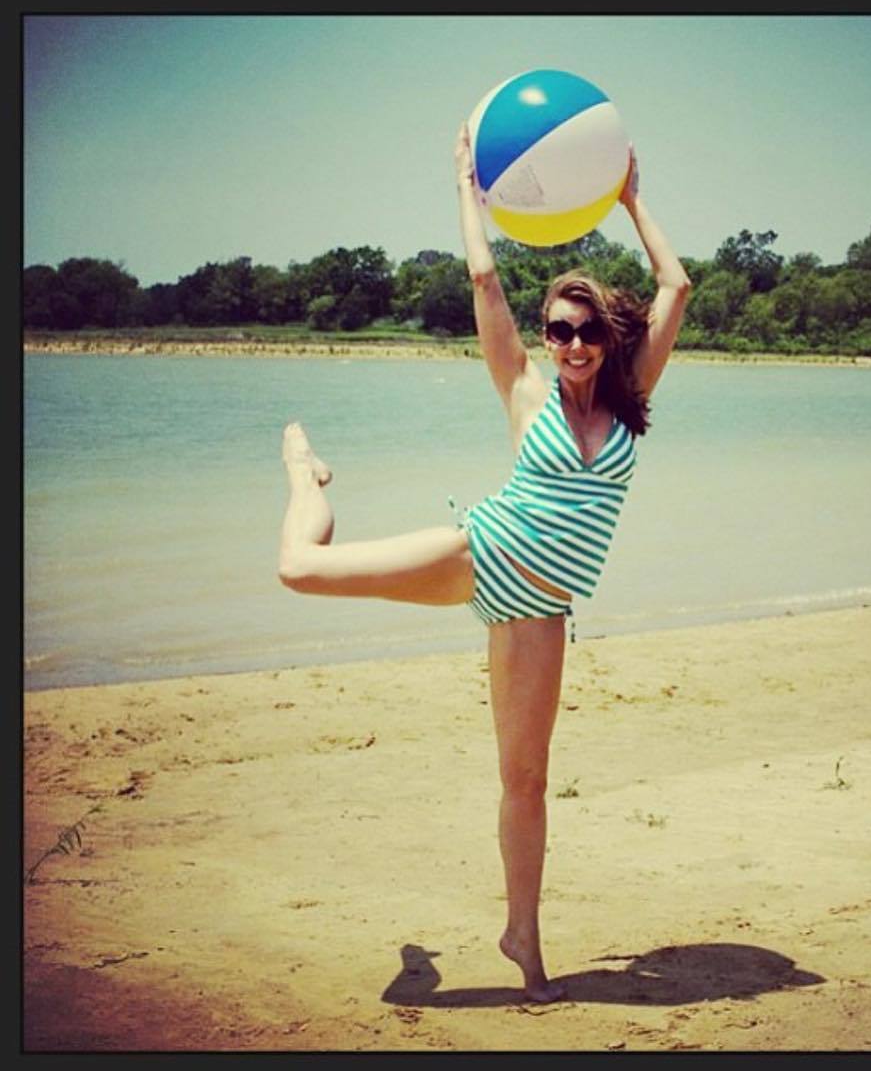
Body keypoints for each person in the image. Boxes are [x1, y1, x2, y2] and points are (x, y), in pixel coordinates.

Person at [278, 122, 690, 1003]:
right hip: (483, 553)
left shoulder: (630, 399)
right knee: (299, 569)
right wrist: (468, 189)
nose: (573, 342)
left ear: (607, 336)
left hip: (542, 609)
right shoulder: (525, 389)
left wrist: (629, 198)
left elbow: (676, 285)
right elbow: (483, 278)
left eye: (587, 329)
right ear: (544, 336)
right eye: (559, 328)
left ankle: (523, 941)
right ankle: (305, 477)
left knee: (526, 780)